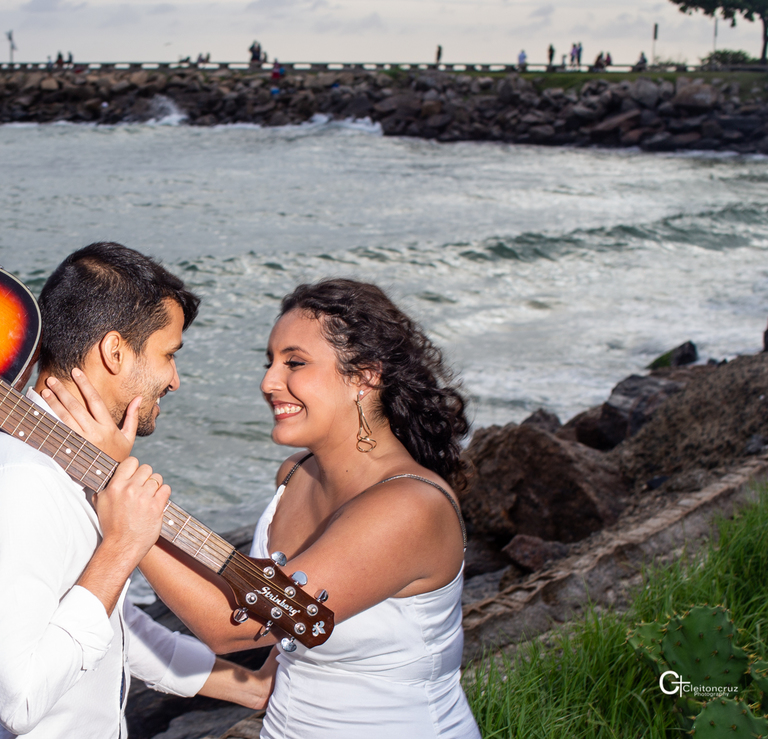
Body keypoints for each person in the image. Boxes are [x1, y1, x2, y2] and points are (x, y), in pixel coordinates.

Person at [45, 279, 480, 738]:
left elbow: (234, 626)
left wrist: (115, 487)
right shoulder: (295, 475)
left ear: (365, 377)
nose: (269, 382)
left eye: (295, 363)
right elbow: (277, 604)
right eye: (270, 362)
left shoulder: (409, 508)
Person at [0, 243, 274, 739]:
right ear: (114, 352)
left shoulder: (71, 465)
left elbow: (112, 628)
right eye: (168, 355)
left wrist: (248, 687)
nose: (175, 380)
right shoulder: (17, 481)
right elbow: (19, 699)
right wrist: (124, 543)